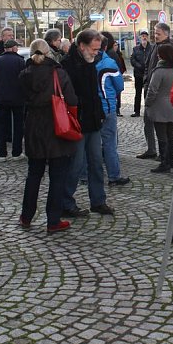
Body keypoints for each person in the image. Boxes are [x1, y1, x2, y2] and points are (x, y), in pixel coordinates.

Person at [18, 39, 78, 233]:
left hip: (34, 127)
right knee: (57, 177)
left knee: (33, 175)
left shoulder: (24, 75)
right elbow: (71, 100)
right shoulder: (58, 74)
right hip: (56, 127)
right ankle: (53, 220)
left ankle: (26, 216)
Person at [60, 29, 114, 217]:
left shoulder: (91, 61)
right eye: (93, 49)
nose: (96, 52)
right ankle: (66, 203)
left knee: (96, 163)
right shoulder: (67, 65)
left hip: (93, 120)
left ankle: (98, 201)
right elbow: (70, 96)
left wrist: (99, 112)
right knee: (75, 165)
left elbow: (94, 92)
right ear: (82, 46)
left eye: (98, 49)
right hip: (77, 121)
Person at [138, 22, 173, 160]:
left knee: (165, 129)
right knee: (150, 122)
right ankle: (153, 150)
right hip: (152, 86)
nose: (155, 36)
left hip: (162, 93)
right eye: (155, 33)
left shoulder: (169, 48)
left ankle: (166, 157)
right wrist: (146, 78)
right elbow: (148, 65)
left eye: (158, 33)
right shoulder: (155, 47)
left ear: (166, 34)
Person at [95, 34, 129, 186]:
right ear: (106, 46)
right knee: (109, 143)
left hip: (90, 109)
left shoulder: (85, 61)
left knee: (89, 145)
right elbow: (120, 86)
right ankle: (113, 176)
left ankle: (85, 176)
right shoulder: (109, 63)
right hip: (107, 107)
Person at [145, 44, 173, 173]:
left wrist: (148, 103)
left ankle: (164, 162)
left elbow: (152, 90)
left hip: (159, 105)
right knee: (171, 134)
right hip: (171, 104)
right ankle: (172, 160)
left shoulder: (159, 70)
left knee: (161, 135)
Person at [0, 39, 26, 160]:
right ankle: (16, 152)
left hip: (1, 99)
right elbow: (25, 81)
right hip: (18, 99)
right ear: (14, 48)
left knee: (0, 127)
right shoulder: (20, 61)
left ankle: (2, 153)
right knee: (18, 126)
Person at [129, 30, 151, 117]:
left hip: (148, 74)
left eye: (145, 36)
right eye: (142, 36)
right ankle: (136, 111)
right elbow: (132, 60)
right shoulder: (136, 49)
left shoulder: (152, 48)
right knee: (138, 93)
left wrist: (148, 67)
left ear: (147, 37)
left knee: (148, 93)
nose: (144, 37)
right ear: (140, 38)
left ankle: (148, 111)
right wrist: (139, 66)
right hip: (138, 74)